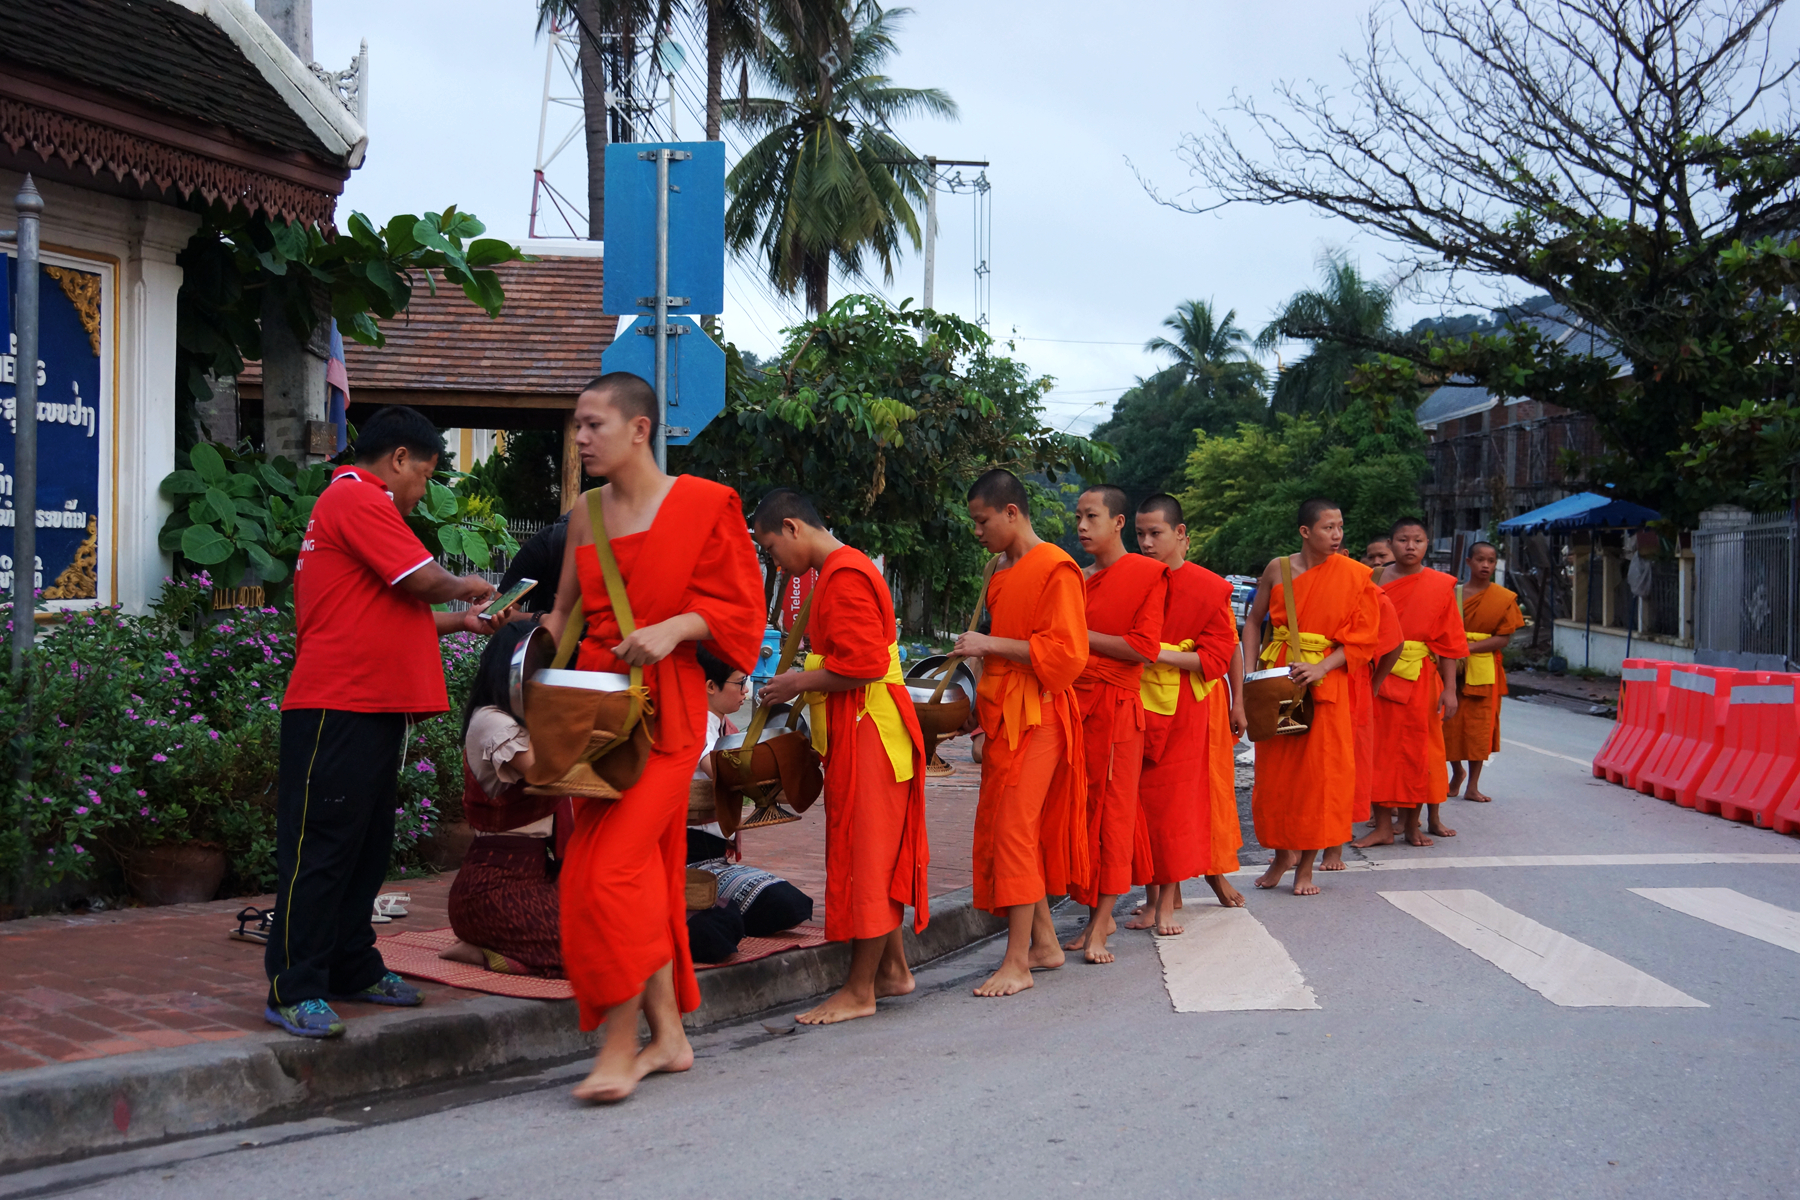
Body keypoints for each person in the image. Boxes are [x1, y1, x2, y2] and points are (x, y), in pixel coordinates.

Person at [542, 372, 763, 1104]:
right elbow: (561, 619)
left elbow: (739, 613)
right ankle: (668, 1036)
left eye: (593, 424)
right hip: (597, 717)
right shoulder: (586, 514)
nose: (581, 438)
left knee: (609, 875)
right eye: (577, 424)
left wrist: (675, 627)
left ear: (640, 429)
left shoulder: (704, 505)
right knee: (617, 875)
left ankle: (619, 1045)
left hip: (665, 715)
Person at [266, 405, 499, 1039]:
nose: (421, 491)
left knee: (364, 851)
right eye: (422, 476)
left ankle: (352, 966)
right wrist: (467, 585)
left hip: (370, 707)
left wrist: (467, 620)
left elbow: (399, 614)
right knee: (321, 850)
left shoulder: (359, 508)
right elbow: (424, 584)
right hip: (336, 706)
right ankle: (295, 985)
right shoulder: (359, 498)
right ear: (398, 459)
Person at [752, 488, 929, 1024]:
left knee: (868, 858)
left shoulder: (845, 575)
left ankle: (859, 991)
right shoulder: (839, 570)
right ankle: (894, 971)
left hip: (869, 728)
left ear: (792, 527)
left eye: (770, 547)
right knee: (868, 850)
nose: (774, 561)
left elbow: (868, 664)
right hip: (862, 728)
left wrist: (796, 682)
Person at [954, 468, 1089, 996]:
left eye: (983, 520)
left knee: (1014, 830)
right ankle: (1046, 943)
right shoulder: (1000, 569)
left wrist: (990, 647)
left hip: (1040, 714)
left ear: (1012, 513)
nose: (978, 531)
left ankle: (1017, 963)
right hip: (1000, 712)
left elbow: (1065, 657)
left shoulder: (1057, 567)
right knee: (1010, 830)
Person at [1241, 498, 1380, 896]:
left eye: (1340, 527)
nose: (1337, 535)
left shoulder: (1356, 575)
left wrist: (1321, 667)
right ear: (1305, 532)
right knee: (1278, 775)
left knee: (1319, 778)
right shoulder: (1278, 569)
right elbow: (1253, 623)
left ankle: (1306, 865)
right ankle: (1282, 854)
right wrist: (1251, 676)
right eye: (1327, 528)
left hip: (1324, 682)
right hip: (1279, 680)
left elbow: (1363, 639)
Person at [1127, 495, 1245, 932]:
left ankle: (1170, 900)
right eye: (1139, 534)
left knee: (1176, 803)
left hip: (1188, 707)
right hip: (1137, 700)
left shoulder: (1209, 587)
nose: (1146, 543)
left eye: (1155, 533)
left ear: (1180, 535)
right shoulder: (1132, 579)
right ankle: (1153, 896)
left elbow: (1217, 656)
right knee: (1142, 802)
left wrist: (1156, 654)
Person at [1061, 485, 1166, 963]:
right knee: (1081, 811)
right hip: (1075, 708)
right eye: (1078, 517)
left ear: (1118, 522)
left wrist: (1079, 636)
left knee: (1115, 813)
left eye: (1092, 516)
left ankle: (1103, 920)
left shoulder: (1147, 575)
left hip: (1118, 711)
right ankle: (1091, 915)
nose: (1082, 526)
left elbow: (1143, 648)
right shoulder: (1076, 579)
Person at [440, 620, 570, 977]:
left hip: (536, 880)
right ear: (508, 672)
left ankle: (498, 950)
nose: (541, 683)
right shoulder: (491, 722)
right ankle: (483, 952)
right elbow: (547, 773)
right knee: (590, 950)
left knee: (624, 933)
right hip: (491, 890)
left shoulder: (528, 726)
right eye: (534, 672)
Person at [1355, 518, 1468, 847]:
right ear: (1390, 545)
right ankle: (1382, 825)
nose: (1410, 546)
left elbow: (1448, 644)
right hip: (1376, 674)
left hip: (1421, 677)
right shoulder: (1372, 579)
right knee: (1377, 750)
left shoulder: (1439, 585)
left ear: (1427, 544)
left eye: (1417, 540)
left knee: (1417, 752)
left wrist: (1449, 690)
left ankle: (1413, 823)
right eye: (1402, 540)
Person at [1322, 584, 1403, 870]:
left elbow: (1394, 643)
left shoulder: (1369, 593)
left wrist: (1376, 682)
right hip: (1306, 675)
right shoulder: (1298, 580)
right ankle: (1294, 847)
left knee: (1344, 766)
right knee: (1304, 766)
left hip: (1352, 683)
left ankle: (1334, 849)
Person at [1445, 541, 1526, 803]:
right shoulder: (1452, 594)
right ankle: (1456, 772)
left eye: (1491, 561)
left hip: (1483, 669)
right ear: (1468, 561)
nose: (1486, 565)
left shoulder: (1502, 598)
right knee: (1449, 724)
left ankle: (1473, 785)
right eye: (1480, 560)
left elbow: (1503, 638)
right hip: (1451, 668)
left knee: (1480, 728)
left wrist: (1470, 647)